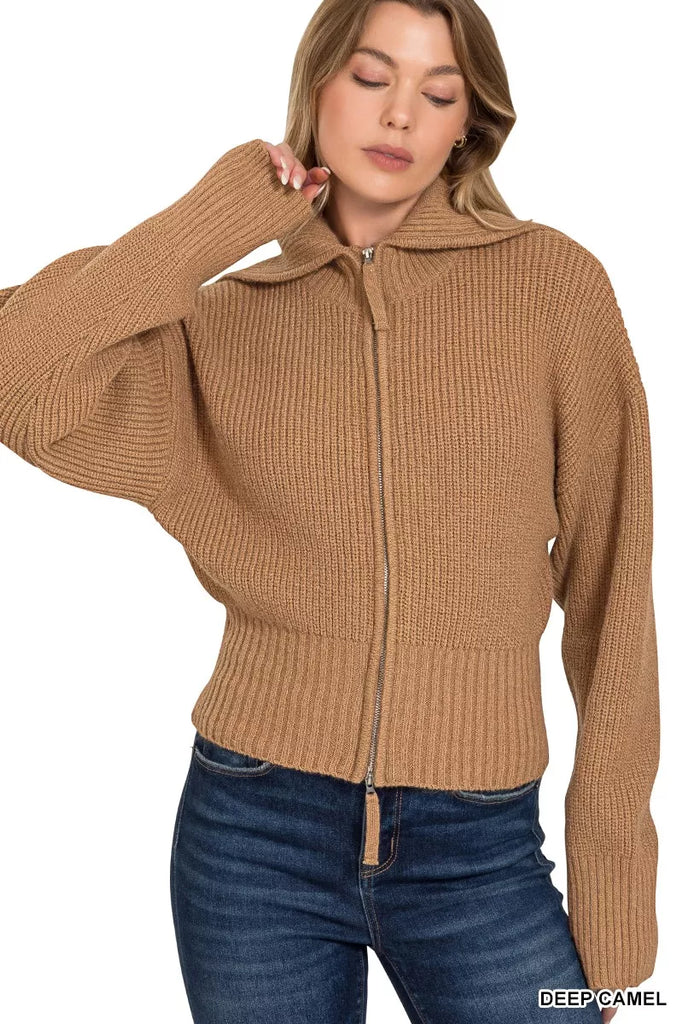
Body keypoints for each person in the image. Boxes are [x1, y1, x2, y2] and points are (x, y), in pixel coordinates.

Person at [0, 1, 659, 1021]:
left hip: (479, 846)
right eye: (370, 77)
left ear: (467, 125)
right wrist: (216, 218)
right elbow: (20, 378)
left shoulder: (551, 287)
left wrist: (615, 918)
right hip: (250, 831)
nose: (399, 115)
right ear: (315, 86)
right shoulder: (222, 320)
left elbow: (613, 596)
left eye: (437, 92)